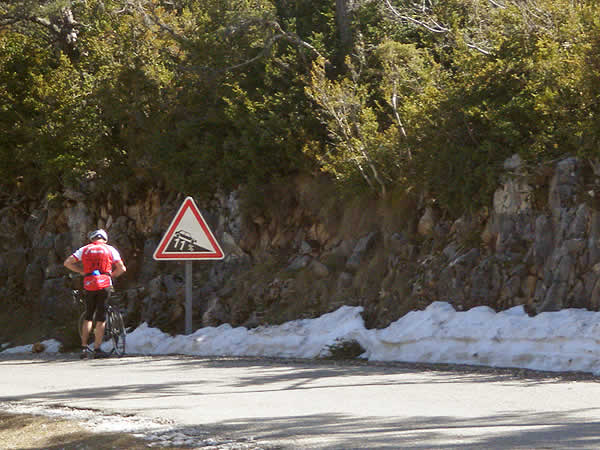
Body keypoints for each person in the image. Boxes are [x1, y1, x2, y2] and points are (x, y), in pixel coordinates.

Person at [63, 229, 126, 358]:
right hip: (104, 283)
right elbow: (122, 268)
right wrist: (112, 275)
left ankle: (84, 348)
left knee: (89, 315)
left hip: (89, 283)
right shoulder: (110, 249)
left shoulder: (85, 249)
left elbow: (67, 263)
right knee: (101, 317)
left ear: (92, 239)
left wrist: (81, 271)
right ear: (105, 239)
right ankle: (97, 349)